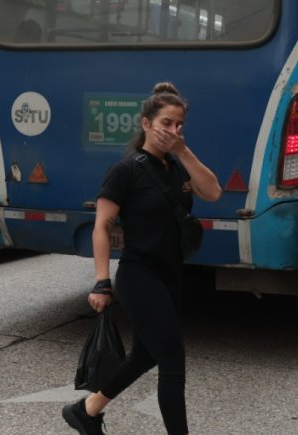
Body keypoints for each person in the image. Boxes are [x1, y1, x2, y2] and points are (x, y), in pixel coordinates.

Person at [62, 82, 222, 435]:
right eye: (166, 123)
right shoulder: (126, 170)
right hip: (139, 275)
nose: (173, 131)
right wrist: (102, 282)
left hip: (171, 275)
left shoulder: (178, 168)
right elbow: (101, 227)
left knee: (146, 354)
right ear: (146, 123)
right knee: (172, 359)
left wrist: (184, 152)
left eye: (179, 125)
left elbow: (213, 191)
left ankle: (87, 410)